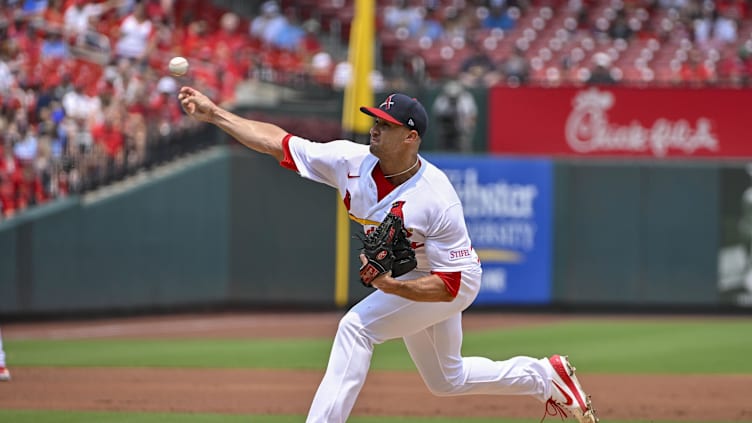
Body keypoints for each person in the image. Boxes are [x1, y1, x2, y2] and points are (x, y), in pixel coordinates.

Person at [177, 87, 599, 423]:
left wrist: (391, 285)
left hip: (450, 281)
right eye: (376, 119)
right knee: (446, 380)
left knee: (355, 328)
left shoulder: (436, 198)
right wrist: (216, 114)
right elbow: (279, 143)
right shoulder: (349, 161)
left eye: (387, 124)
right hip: (416, 275)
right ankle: (546, 377)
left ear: (411, 137)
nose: (375, 127)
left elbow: (449, 285)